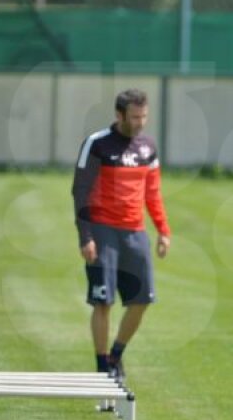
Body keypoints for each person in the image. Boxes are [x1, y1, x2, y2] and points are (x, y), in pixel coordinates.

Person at [71, 89, 171, 382]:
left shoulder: (148, 148)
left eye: (144, 117)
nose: (141, 123)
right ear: (119, 115)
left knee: (142, 300)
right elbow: (80, 191)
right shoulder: (97, 144)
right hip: (102, 231)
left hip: (134, 232)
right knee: (103, 301)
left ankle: (116, 356)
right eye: (135, 117)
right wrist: (85, 236)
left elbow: (153, 193)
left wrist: (163, 230)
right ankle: (102, 366)